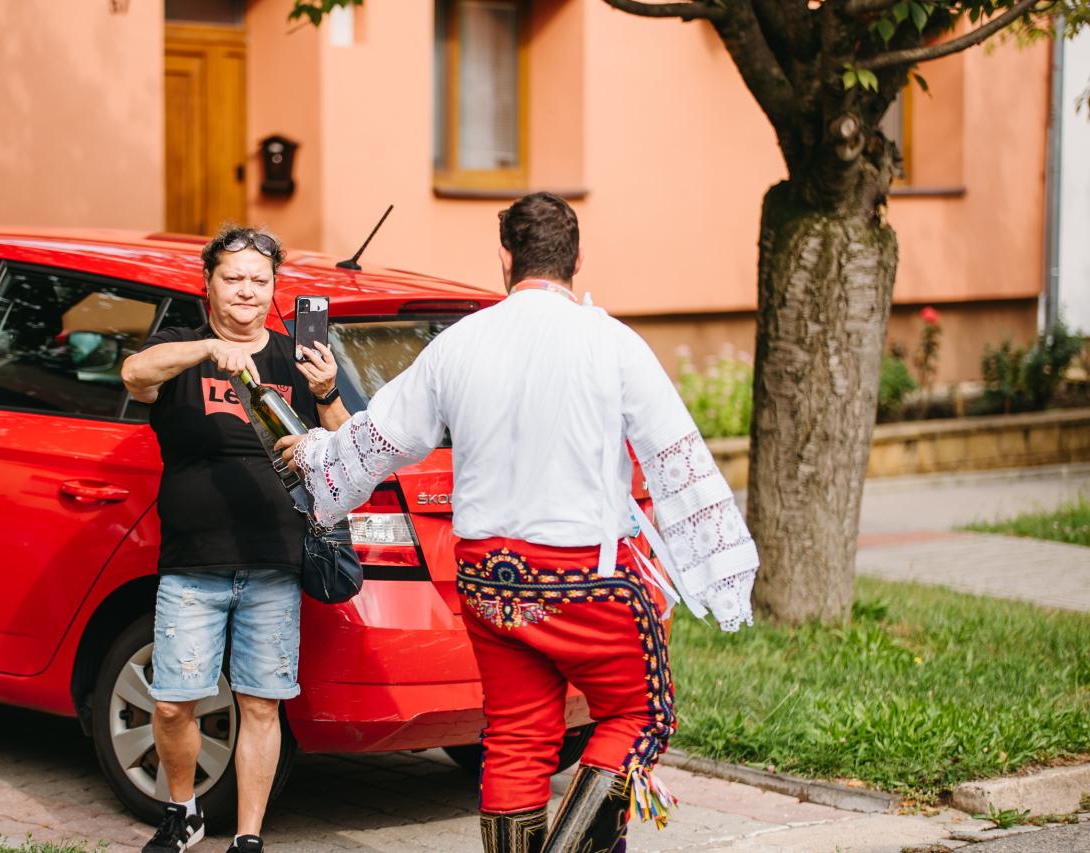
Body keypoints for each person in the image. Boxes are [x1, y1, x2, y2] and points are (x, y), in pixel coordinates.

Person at [275, 193, 759, 852]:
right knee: (640, 713)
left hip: (487, 579)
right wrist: (718, 567)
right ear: (577, 259)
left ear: (505, 257)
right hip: (582, 577)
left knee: (516, 736)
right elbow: (678, 459)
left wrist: (317, 454)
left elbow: (382, 438)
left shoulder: (460, 343)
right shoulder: (614, 343)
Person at [121, 226, 348, 853]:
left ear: (275, 288)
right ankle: (183, 812)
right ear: (209, 283)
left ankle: (248, 836)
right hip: (193, 564)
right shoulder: (178, 346)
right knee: (173, 704)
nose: (247, 290)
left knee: (261, 705)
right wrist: (207, 350)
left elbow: (348, 445)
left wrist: (326, 391)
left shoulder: (298, 358)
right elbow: (135, 375)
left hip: (275, 562)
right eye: (233, 278)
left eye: (259, 280)